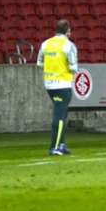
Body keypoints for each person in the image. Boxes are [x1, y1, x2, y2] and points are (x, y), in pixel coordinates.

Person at [37, 19, 78, 156]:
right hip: (63, 84)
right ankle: (54, 147)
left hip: (49, 84)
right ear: (67, 31)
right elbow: (73, 67)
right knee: (59, 116)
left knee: (62, 114)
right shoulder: (69, 45)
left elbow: (39, 63)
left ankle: (61, 144)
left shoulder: (45, 44)